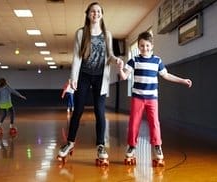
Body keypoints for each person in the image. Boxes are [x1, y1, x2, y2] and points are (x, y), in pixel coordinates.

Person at [57, 2, 123, 165]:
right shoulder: (80, 33)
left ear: (102, 14)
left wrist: (117, 60)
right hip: (84, 75)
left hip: (101, 77)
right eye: (93, 11)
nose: (96, 14)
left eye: (99, 11)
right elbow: (77, 57)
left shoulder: (107, 34)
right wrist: (73, 78)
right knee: (78, 110)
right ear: (88, 14)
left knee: (99, 112)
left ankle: (100, 145)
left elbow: (109, 55)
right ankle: (70, 142)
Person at [119, 31, 192, 166]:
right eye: (141, 46)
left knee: (154, 123)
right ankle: (132, 146)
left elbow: (166, 75)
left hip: (152, 98)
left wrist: (182, 81)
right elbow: (124, 76)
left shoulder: (157, 60)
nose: (144, 48)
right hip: (138, 97)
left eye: (147, 46)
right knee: (134, 123)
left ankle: (157, 146)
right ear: (138, 47)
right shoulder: (134, 60)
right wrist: (120, 69)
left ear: (151, 46)